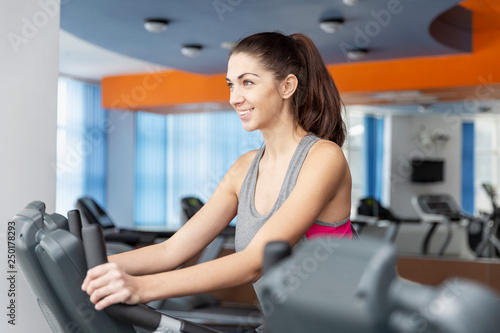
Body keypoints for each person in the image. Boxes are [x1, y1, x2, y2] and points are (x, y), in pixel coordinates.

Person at [82, 31, 352, 330]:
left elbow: (254, 261)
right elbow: (172, 250)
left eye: (247, 82)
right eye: (231, 85)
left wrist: (141, 288)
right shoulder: (244, 167)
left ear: (287, 86)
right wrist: (88, 261)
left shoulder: (323, 158)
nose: (235, 98)